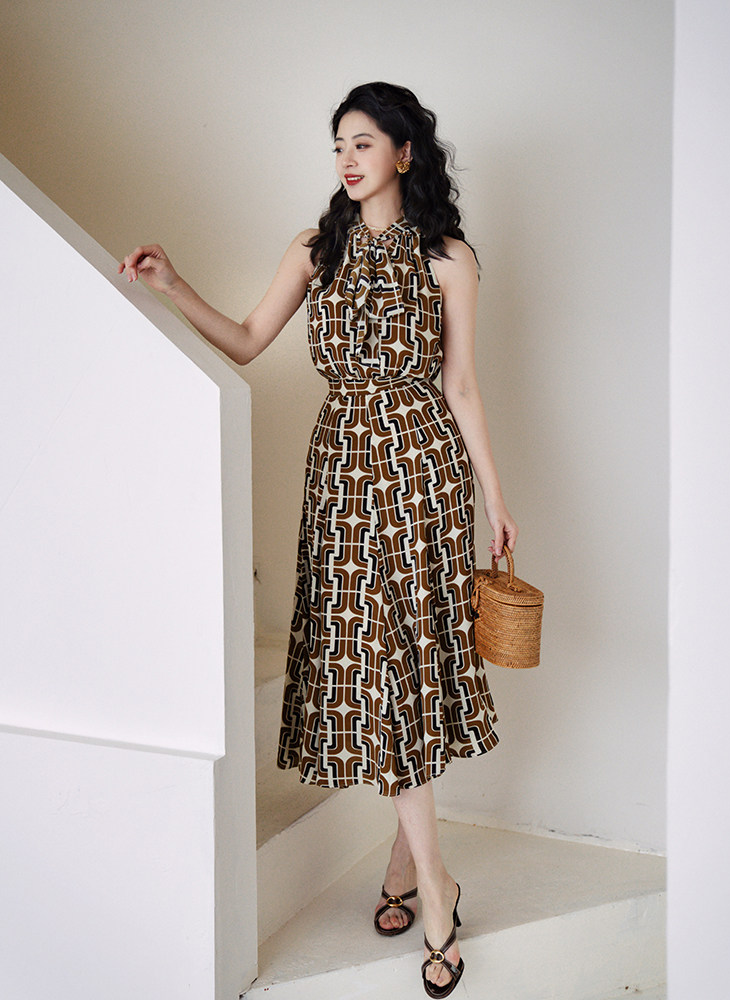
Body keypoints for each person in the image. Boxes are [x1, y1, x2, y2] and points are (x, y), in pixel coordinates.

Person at [120, 81, 517, 998]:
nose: (347, 158)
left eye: (364, 143)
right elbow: (247, 339)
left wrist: (495, 498)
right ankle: (416, 866)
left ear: (405, 154)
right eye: (339, 144)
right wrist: (172, 285)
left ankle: (433, 891)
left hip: (420, 479)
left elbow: (461, 385)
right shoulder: (316, 248)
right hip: (340, 480)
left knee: (406, 669)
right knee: (369, 670)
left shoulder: (448, 258)